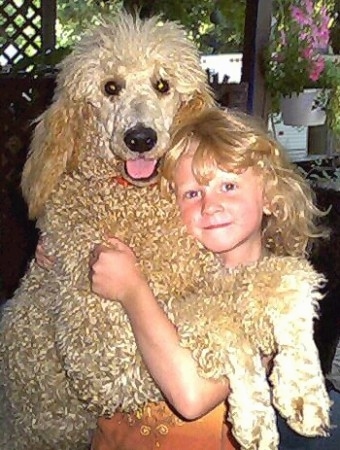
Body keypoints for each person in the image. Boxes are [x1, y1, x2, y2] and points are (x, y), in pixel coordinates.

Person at [36, 107, 339, 449]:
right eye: (192, 193)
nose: (210, 205)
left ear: (269, 196)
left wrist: (132, 290)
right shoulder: (167, 265)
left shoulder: (275, 295)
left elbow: (191, 396)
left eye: (228, 185)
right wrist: (64, 253)